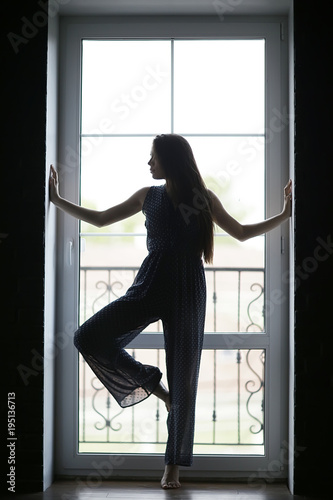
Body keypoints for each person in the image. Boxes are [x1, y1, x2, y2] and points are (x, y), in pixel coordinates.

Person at [49, 133, 292, 489]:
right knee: (87, 335)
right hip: (149, 283)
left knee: (184, 376)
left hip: (187, 287)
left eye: (153, 158)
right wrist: (56, 200)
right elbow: (100, 219)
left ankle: (173, 467)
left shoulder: (204, 199)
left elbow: (240, 232)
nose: (148, 163)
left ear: (170, 161)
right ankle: (153, 385)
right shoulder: (148, 196)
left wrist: (286, 214)